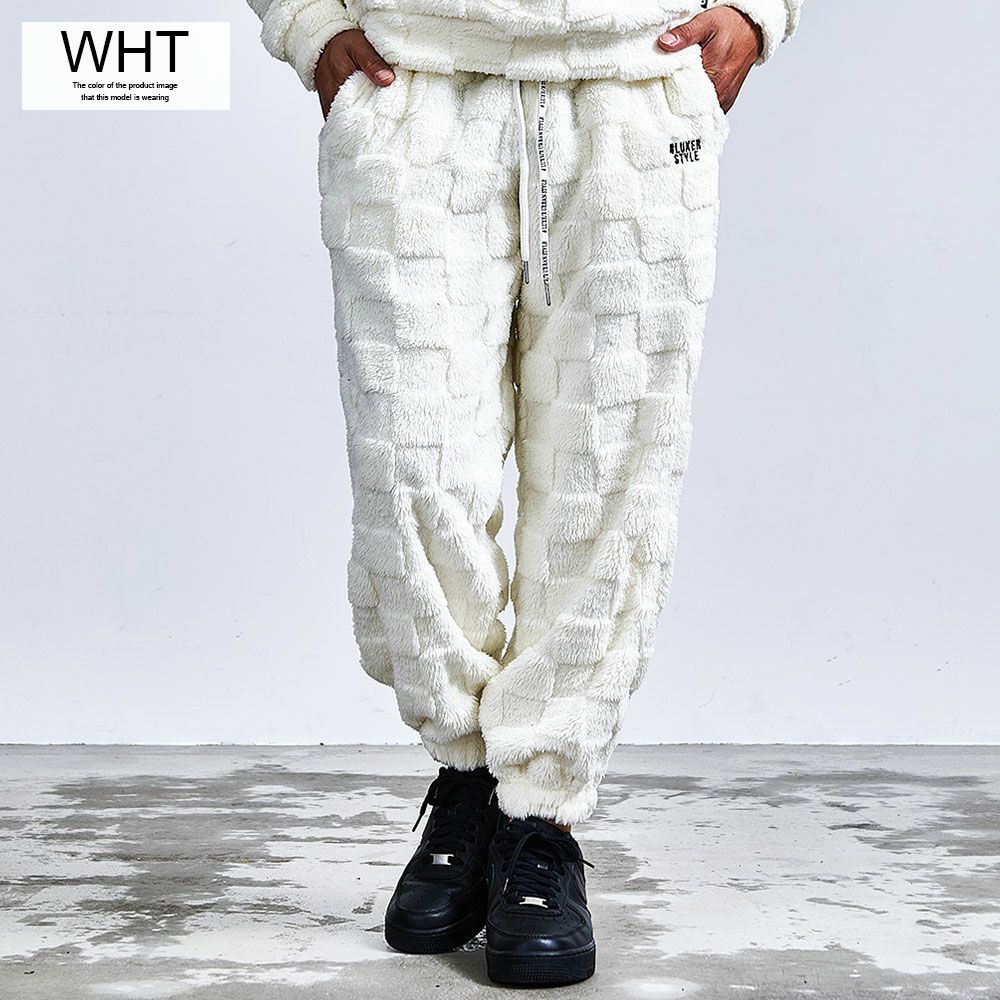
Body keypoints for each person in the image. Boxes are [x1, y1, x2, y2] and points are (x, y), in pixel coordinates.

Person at [247, 0, 800, 986]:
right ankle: (467, 773)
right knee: (414, 465)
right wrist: (306, 21)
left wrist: (758, 12)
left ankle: (542, 813)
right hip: (417, 83)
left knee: (608, 475)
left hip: (630, 90)